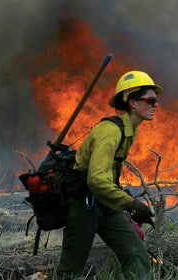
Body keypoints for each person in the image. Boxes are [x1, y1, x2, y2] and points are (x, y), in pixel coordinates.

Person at [54, 70, 162, 280]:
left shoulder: (129, 130)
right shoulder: (111, 131)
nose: (155, 105)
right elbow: (96, 179)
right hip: (84, 205)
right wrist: (130, 204)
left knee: (135, 253)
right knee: (71, 270)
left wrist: (121, 199)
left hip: (104, 204)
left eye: (155, 100)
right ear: (132, 102)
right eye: (150, 100)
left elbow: (106, 176)